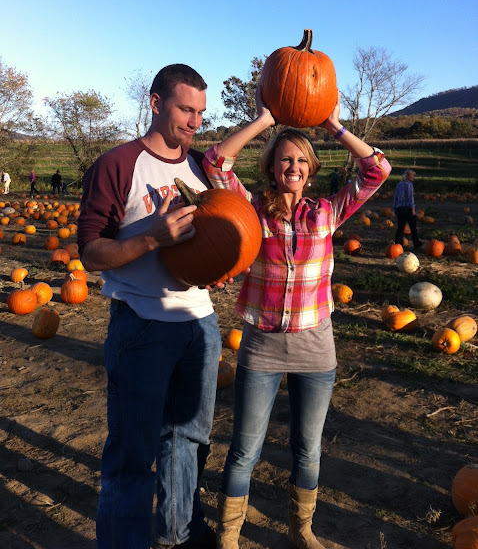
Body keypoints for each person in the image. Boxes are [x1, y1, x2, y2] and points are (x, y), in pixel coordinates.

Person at [202, 90, 391, 549]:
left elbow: (377, 170)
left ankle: (301, 529)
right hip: (262, 347)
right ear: (271, 167)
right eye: (285, 159)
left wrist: (333, 125)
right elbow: (215, 163)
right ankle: (229, 536)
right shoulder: (251, 210)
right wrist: (264, 121)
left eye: (302, 161)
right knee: (245, 449)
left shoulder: (326, 212)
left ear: (311, 169)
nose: (294, 167)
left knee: (307, 449)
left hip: (315, 348)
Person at [77, 64, 224, 549]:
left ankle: (177, 535)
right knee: (132, 454)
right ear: (156, 103)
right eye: (186, 109)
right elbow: (91, 253)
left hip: (199, 324)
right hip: (141, 326)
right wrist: (150, 240)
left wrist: (217, 266)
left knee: (189, 443)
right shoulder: (118, 165)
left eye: (201, 112)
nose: (195, 122)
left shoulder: (202, 166)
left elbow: (213, 238)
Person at [393, 169, 423, 250]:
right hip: (408, 208)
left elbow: (395, 197)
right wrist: (413, 209)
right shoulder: (409, 185)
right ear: (407, 176)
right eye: (412, 175)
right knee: (413, 227)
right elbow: (410, 198)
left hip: (399, 208)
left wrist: (395, 208)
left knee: (400, 227)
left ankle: (398, 244)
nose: (413, 177)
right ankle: (416, 243)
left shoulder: (399, 185)